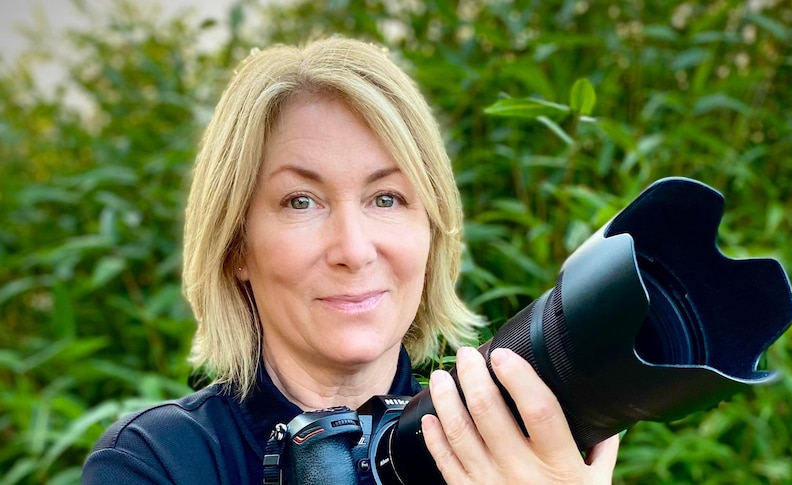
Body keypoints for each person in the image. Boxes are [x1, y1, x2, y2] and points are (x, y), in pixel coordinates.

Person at [82, 36, 619, 484]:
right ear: (236, 244)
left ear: (431, 230)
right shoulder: (157, 462)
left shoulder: (508, 448)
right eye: (301, 201)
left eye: (386, 198)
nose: (354, 250)